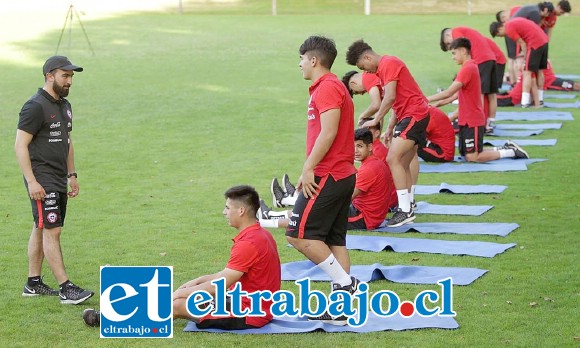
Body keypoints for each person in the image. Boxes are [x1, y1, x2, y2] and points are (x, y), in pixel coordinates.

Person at [84, 185, 282, 329]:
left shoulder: (249, 243)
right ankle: (122, 310)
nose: (224, 212)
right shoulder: (259, 234)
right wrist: (195, 282)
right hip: (242, 301)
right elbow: (226, 276)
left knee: (178, 304)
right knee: (187, 292)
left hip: (249, 313)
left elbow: (218, 285)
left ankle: (110, 318)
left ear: (241, 210)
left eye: (227, 208)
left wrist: (180, 294)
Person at [286, 35, 360, 326]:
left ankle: (345, 283)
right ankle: (340, 311)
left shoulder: (327, 88)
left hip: (328, 175)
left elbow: (328, 132)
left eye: (302, 58)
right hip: (341, 174)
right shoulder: (328, 87)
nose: (300, 64)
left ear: (314, 60)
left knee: (297, 235)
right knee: (334, 240)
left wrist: (308, 167)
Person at [15, 55, 93, 304]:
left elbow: (67, 142)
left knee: (41, 227)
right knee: (52, 229)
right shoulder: (35, 106)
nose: (69, 81)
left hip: (58, 177)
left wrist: (72, 175)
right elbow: (20, 145)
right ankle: (65, 288)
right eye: (65, 76)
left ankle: (33, 283)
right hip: (41, 178)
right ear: (49, 76)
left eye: (71, 76)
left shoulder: (64, 105)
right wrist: (32, 181)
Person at [346, 39, 429, 227]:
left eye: (363, 67)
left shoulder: (388, 63)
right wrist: (390, 127)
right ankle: (408, 204)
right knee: (404, 162)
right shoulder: (383, 70)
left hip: (415, 114)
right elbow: (396, 103)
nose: (366, 72)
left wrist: (375, 120)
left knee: (393, 159)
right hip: (410, 115)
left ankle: (405, 209)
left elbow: (390, 97)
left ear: (367, 57)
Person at [262, 128, 394, 231]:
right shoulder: (373, 163)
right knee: (314, 207)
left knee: (310, 217)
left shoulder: (369, 168)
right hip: (366, 213)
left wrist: (325, 202)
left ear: (370, 147)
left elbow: (346, 198)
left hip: (363, 217)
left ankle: (262, 221)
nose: (355, 151)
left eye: (359, 146)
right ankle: (272, 213)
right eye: (353, 146)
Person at [427, 38, 529, 162]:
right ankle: (505, 148)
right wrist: (435, 104)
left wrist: (426, 99)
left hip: (473, 120)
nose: (453, 57)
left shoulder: (468, 68)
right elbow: (453, 97)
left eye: (454, 53)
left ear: (463, 51)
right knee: (467, 154)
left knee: (472, 157)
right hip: (465, 120)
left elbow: (449, 92)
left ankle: (511, 151)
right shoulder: (468, 67)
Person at [440, 26, 498, 132]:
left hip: (480, 60)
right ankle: (489, 123)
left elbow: (461, 51)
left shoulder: (456, 32)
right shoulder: (467, 32)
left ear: (448, 35)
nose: (451, 46)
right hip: (491, 58)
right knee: (491, 95)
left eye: (448, 43)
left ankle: (480, 124)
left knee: (479, 94)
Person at [490, 17, 549, 108]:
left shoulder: (509, 28)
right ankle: (540, 100)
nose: (502, 37)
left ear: (499, 28)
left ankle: (525, 102)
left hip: (535, 43)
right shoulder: (513, 23)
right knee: (539, 71)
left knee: (527, 72)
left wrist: (525, 60)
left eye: (499, 35)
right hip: (544, 40)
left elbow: (522, 43)